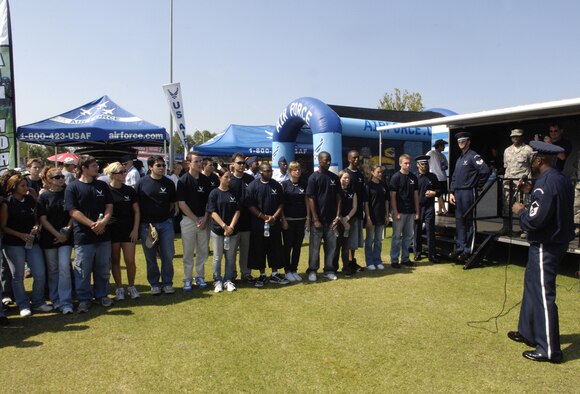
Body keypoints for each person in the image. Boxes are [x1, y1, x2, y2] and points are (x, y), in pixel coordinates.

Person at [508, 141, 574, 363]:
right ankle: (528, 331)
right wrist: (530, 191)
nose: (531, 162)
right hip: (555, 241)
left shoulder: (545, 183)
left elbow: (536, 220)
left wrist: (521, 211)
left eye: (533, 158)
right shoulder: (560, 179)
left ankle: (548, 349)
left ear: (539, 160)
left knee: (544, 294)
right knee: (532, 287)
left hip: (547, 244)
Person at [65, 155, 114, 312]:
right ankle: (84, 299)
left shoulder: (102, 185)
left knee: (103, 268)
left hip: (103, 234)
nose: (97, 168)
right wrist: (92, 224)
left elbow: (109, 206)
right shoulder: (72, 187)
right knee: (83, 270)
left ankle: (102, 295)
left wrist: (104, 222)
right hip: (84, 236)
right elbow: (72, 211)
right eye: (93, 166)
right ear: (84, 168)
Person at [0, 174, 52, 316]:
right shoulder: (7, 203)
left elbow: (36, 218)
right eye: (22, 185)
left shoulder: (30, 199)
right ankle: (23, 305)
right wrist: (20, 235)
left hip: (32, 242)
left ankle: (38, 302)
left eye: (26, 185)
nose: (26, 188)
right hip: (13, 244)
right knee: (18, 276)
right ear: (13, 187)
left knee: (40, 273)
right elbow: (3, 227)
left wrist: (37, 226)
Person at [136, 155, 177, 295]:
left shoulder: (169, 183)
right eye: (158, 165)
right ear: (150, 167)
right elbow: (136, 205)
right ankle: (154, 283)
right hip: (147, 225)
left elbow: (173, 203)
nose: (162, 168)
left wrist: (165, 216)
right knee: (150, 256)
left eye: (163, 165)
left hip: (166, 224)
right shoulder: (141, 183)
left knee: (168, 255)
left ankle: (167, 283)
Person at [37, 166, 74, 314]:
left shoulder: (68, 193)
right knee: (52, 270)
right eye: (57, 177)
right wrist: (56, 234)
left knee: (64, 267)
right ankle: (55, 299)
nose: (61, 179)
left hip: (66, 236)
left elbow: (73, 213)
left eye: (62, 176)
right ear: (49, 180)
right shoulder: (43, 197)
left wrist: (66, 231)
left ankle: (66, 302)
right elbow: (43, 219)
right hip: (49, 237)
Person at [245, 162, 289, 287]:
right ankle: (262, 275)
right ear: (260, 172)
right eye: (266, 171)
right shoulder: (253, 186)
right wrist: (262, 217)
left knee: (275, 248)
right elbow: (250, 205)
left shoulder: (276, 185)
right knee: (259, 249)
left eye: (270, 170)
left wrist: (274, 217)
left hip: (274, 223)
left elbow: (281, 203)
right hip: (258, 224)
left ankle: (275, 274)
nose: (269, 173)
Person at [448, 132, 490, 262]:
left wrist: (478, 185)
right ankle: (460, 247)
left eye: (463, 141)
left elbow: (485, 171)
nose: (461, 143)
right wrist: (451, 192)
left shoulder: (473, 156)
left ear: (468, 142)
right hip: (458, 193)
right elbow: (454, 176)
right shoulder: (460, 158)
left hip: (468, 191)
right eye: (459, 141)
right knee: (459, 221)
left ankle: (468, 250)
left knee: (468, 221)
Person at [104, 162, 140, 300]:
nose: (124, 174)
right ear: (113, 174)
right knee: (115, 260)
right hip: (112, 230)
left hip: (128, 230)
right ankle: (120, 288)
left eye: (124, 171)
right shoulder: (106, 190)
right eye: (121, 172)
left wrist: (135, 229)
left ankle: (131, 286)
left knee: (130, 260)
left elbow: (137, 211)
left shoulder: (130, 190)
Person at [177, 151, 211, 291]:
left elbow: (210, 202)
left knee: (203, 251)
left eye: (200, 161)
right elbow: (181, 203)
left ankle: (200, 277)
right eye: (196, 161)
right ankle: (187, 279)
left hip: (204, 221)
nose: (199, 164)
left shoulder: (206, 180)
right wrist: (196, 219)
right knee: (188, 252)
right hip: (188, 221)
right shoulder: (183, 180)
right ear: (188, 163)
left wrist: (204, 218)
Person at [306, 151, 341, 281]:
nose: (328, 162)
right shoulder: (313, 178)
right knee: (314, 248)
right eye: (326, 160)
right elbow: (310, 199)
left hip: (331, 220)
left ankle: (329, 270)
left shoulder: (334, 178)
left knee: (331, 247)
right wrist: (315, 219)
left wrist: (337, 216)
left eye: (329, 159)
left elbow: (339, 198)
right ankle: (312, 271)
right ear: (319, 160)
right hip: (318, 221)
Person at [206, 169, 240, 293]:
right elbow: (212, 212)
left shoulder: (234, 193)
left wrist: (231, 227)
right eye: (226, 177)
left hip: (232, 232)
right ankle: (217, 280)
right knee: (217, 257)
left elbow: (237, 211)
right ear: (220, 178)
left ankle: (228, 280)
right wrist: (224, 226)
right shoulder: (214, 193)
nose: (229, 179)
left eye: (230, 177)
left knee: (230, 257)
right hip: (217, 231)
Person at [500, 129, 533, 235]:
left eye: (517, 136)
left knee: (524, 204)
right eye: (513, 136)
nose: (515, 138)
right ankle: (506, 227)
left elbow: (531, 165)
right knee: (506, 205)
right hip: (508, 182)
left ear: (522, 137)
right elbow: (506, 166)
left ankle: (525, 229)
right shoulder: (507, 150)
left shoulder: (528, 149)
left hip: (522, 182)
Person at [280, 161, 309, 282]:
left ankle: (294, 270)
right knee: (288, 247)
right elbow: (281, 204)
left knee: (297, 247)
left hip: (301, 220)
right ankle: (287, 271)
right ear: (290, 171)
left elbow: (307, 201)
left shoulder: (304, 184)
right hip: (288, 221)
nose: (297, 171)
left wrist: (308, 217)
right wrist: (283, 219)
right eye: (295, 169)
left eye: (299, 169)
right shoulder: (284, 185)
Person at [229, 152, 256, 283]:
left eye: (243, 163)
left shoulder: (250, 179)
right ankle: (232, 274)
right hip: (232, 222)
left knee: (246, 250)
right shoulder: (228, 180)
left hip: (247, 221)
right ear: (233, 164)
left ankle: (246, 273)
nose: (241, 165)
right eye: (239, 163)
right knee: (231, 252)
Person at [389, 155, 419, 268]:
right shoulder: (395, 177)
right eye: (406, 163)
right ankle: (394, 260)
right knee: (396, 237)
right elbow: (392, 197)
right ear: (400, 164)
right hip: (399, 212)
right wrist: (395, 212)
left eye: (409, 163)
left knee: (408, 237)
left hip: (411, 212)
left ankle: (405, 259)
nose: (408, 165)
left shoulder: (413, 178)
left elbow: (416, 195)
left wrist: (417, 211)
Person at [413, 155, 441, 263]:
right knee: (417, 231)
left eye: (426, 164)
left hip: (429, 207)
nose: (425, 166)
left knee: (430, 231)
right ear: (418, 165)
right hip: (418, 207)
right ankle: (417, 253)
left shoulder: (433, 177)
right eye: (422, 164)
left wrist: (434, 193)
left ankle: (432, 255)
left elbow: (440, 190)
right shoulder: (415, 178)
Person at [344, 150, 366, 272]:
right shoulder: (345, 173)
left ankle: (352, 261)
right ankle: (347, 263)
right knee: (347, 239)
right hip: (347, 213)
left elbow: (362, 194)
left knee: (354, 240)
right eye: (354, 158)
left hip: (357, 212)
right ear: (349, 159)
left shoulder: (360, 174)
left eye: (358, 157)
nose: (356, 160)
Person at [364, 165, 390, 269]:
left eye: (381, 172)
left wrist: (387, 215)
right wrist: (368, 218)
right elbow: (365, 203)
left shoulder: (384, 185)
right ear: (372, 172)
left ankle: (377, 260)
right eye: (378, 172)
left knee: (378, 240)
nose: (380, 174)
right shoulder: (368, 186)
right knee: (369, 240)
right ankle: (369, 262)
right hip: (371, 217)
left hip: (381, 217)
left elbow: (386, 201)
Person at [332, 170, 357, 276]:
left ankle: (346, 268)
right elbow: (334, 207)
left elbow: (354, 207)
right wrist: (342, 220)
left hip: (348, 224)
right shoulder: (335, 191)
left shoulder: (352, 192)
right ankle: (333, 268)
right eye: (344, 178)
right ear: (340, 178)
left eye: (348, 178)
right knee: (336, 247)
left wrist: (347, 218)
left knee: (346, 248)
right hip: (337, 223)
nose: (347, 180)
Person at [427, 139, 448, 215]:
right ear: (439, 146)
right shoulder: (431, 153)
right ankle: (444, 209)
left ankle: (439, 210)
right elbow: (425, 160)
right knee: (438, 194)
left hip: (443, 177)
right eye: (443, 146)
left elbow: (446, 165)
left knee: (441, 194)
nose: (444, 147)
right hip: (435, 177)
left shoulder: (443, 155)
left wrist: (445, 167)